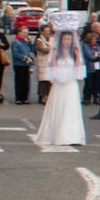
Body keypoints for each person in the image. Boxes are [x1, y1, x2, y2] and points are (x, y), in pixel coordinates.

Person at [34, 13, 86, 146]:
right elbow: (51, 70)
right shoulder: (56, 53)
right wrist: (54, 52)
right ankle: (58, 134)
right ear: (61, 40)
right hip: (59, 84)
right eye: (65, 39)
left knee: (71, 109)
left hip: (70, 84)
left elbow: (79, 71)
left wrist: (77, 55)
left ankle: (71, 135)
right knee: (59, 108)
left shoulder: (74, 53)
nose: (67, 42)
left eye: (69, 39)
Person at [10, 26, 33, 105]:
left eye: (27, 33)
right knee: (19, 81)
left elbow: (32, 50)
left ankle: (25, 97)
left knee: (26, 81)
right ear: (19, 33)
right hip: (19, 64)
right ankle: (19, 98)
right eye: (24, 33)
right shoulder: (16, 42)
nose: (26, 35)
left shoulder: (25, 42)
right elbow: (16, 54)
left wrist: (30, 42)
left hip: (26, 64)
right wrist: (25, 58)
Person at [33, 23, 52, 104]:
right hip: (42, 62)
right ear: (42, 32)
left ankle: (48, 96)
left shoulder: (50, 39)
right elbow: (44, 50)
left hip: (49, 62)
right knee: (43, 80)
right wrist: (51, 47)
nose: (48, 32)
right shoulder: (39, 40)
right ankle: (42, 96)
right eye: (46, 31)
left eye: (49, 31)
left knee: (49, 80)